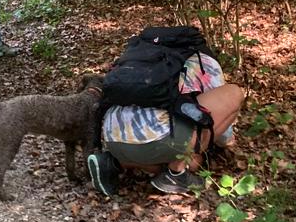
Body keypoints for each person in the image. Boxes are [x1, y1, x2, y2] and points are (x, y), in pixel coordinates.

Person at [88, 51, 243, 196]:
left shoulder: (139, 58)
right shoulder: (203, 62)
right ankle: (176, 171)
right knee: (234, 93)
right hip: (153, 142)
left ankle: (113, 163)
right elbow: (221, 130)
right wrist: (212, 145)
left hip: (112, 139)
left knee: (166, 158)